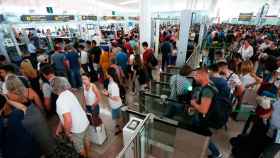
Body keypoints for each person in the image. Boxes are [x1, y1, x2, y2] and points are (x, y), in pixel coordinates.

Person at [5, 75, 55, 156]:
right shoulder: (29, 91)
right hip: (36, 116)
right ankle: (51, 151)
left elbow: (8, 112)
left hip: (23, 120)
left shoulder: (7, 97)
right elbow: (40, 105)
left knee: (32, 138)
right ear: (19, 81)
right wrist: (43, 115)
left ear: (7, 85)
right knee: (44, 135)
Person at [51, 77, 93, 157]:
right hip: (84, 121)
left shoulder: (59, 101)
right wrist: (59, 126)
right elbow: (66, 114)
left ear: (54, 89)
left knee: (80, 148)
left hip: (76, 130)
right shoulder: (68, 92)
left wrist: (67, 132)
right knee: (87, 141)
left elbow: (68, 119)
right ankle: (89, 155)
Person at [190, 67, 223, 158]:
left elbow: (203, 110)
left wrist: (193, 104)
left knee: (205, 136)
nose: (194, 78)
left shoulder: (207, 90)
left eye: (196, 75)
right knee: (202, 134)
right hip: (206, 117)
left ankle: (217, 153)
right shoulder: (210, 84)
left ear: (203, 75)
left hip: (206, 119)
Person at [103, 68, 122, 135]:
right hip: (113, 104)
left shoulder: (114, 85)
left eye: (106, 72)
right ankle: (118, 125)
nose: (105, 73)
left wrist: (107, 95)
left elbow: (116, 98)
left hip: (116, 105)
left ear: (109, 74)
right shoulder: (110, 81)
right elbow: (111, 93)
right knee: (116, 117)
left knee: (117, 117)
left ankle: (120, 129)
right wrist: (107, 92)